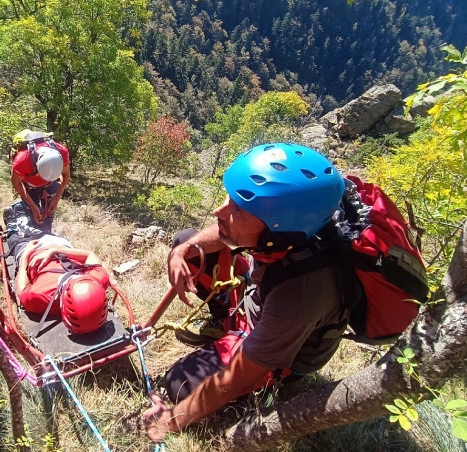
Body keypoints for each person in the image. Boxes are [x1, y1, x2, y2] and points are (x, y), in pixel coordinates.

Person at [143, 143, 348, 441]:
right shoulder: (288, 235)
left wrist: (170, 421)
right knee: (190, 244)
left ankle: (235, 340)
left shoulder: (300, 296)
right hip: (257, 303)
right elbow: (222, 233)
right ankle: (222, 323)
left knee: (179, 385)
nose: (219, 210)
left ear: (274, 233)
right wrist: (182, 251)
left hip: (280, 356)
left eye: (237, 210)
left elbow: (238, 379)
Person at [5, 208, 109, 335]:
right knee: (41, 232)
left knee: (15, 242)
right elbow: (89, 255)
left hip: (32, 252)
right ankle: (28, 221)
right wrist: (56, 250)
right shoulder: (97, 280)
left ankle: (13, 228)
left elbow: (22, 290)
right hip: (58, 245)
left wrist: (26, 256)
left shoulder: (39, 298)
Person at [10, 129, 70, 233]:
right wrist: (33, 207)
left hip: (51, 184)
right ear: (37, 166)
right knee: (34, 216)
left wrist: (56, 199)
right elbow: (16, 183)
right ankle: (35, 234)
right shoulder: (22, 161)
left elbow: (65, 175)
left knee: (49, 213)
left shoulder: (62, 151)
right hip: (29, 186)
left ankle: (46, 233)